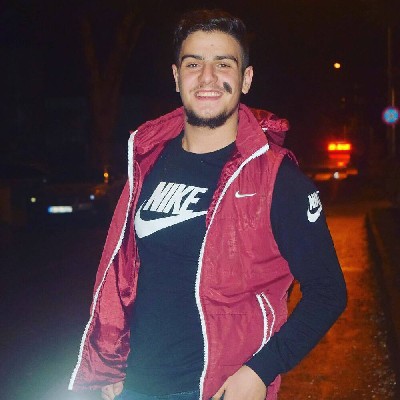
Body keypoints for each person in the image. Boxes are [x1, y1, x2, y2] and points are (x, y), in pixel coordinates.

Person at [68, 9, 347, 400]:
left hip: (217, 389)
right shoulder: (148, 160)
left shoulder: (277, 180)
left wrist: (260, 371)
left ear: (246, 78)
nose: (208, 77)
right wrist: (114, 361)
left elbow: (328, 292)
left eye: (224, 64)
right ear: (176, 76)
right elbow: (128, 273)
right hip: (137, 386)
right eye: (194, 64)